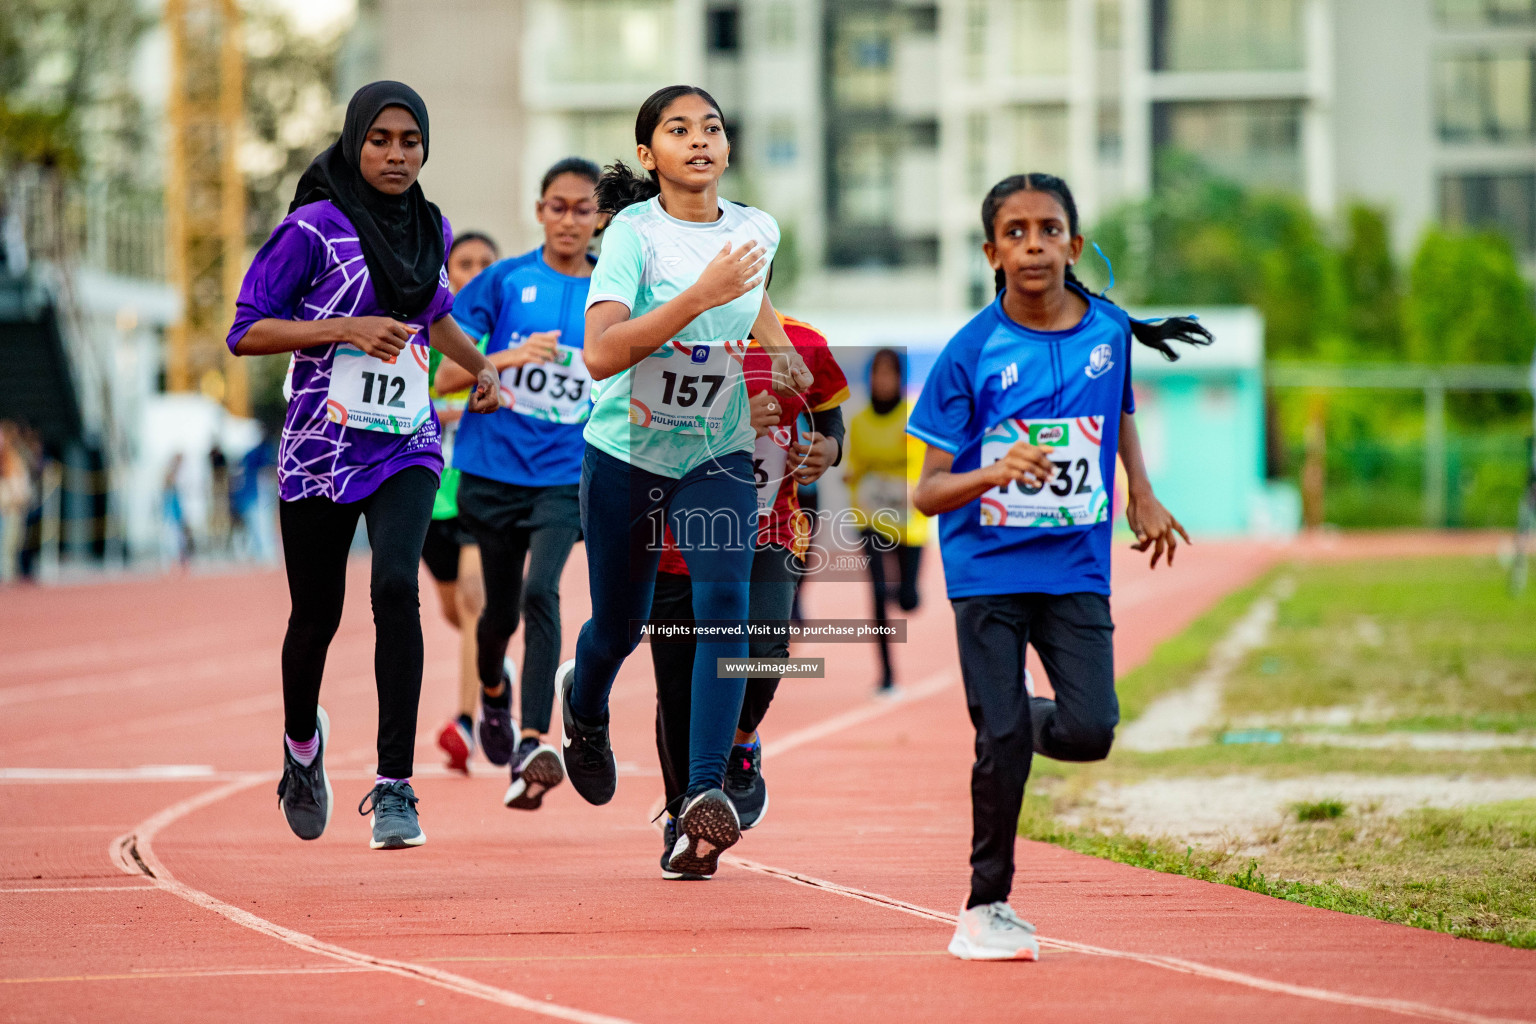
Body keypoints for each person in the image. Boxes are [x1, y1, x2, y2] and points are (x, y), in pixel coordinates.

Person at [909, 172, 1208, 960]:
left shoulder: (1108, 332)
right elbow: (929, 491)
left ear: (1074, 245)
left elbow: (1121, 416)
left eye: (1048, 229)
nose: (1033, 244)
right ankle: (985, 906)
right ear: (991, 252)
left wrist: (1141, 493)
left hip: (1076, 565)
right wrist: (992, 471)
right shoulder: (970, 352)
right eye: (1015, 232)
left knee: (1089, 730)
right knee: (1000, 739)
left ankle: (1010, 718)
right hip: (988, 570)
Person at [227, 81, 501, 851]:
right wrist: (345, 329)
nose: (395, 154)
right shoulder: (311, 231)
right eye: (380, 139)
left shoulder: (430, 224)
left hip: (404, 441)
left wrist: (480, 369)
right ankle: (301, 749)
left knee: (394, 588)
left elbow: (434, 311)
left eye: (410, 140)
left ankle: (394, 788)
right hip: (319, 448)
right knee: (316, 616)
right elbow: (245, 332)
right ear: (354, 142)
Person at [564, 84, 813, 880]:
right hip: (628, 450)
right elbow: (602, 354)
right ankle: (584, 702)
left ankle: (702, 801)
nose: (699, 139)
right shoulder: (633, 233)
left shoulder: (756, 229)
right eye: (678, 129)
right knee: (621, 623)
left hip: (715, 449)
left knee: (725, 603)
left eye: (712, 127)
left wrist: (782, 361)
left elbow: (753, 301)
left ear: (728, 147)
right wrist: (698, 296)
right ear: (649, 155)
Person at [434, 157, 605, 810]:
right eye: (557, 207)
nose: (568, 220)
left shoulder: (611, 295)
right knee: (497, 615)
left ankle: (534, 743)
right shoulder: (502, 282)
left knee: (543, 591)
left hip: (566, 474)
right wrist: (506, 358)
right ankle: (496, 698)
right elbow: (448, 378)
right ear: (539, 211)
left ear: (598, 219)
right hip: (490, 473)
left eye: (582, 209)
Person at [648, 309, 847, 851]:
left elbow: (830, 418)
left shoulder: (804, 342)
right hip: (679, 539)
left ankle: (740, 739)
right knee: (678, 684)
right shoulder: (667, 340)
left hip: (770, 531)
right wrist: (732, 417)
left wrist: (828, 450)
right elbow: (638, 431)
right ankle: (680, 815)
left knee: (766, 646)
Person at [421, 230, 500, 774]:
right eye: (463, 263)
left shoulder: (511, 330)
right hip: (429, 496)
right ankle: (494, 669)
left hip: (481, 486)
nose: (473, 271)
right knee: (455, 612)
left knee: (474, 603)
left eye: (484, 263)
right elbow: (417, 395)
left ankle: (466, 722)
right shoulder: (432, 333)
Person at [844, 348, 928, 693]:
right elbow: (856, 464)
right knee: (877, 593)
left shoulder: (913, 416)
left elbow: (926, 464)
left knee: (908, 599)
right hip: (871, 517)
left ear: (900, 378)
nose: (883, 381)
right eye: (877, 374)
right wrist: (852, 476)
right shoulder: (860, 421)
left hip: (910, 521)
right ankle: (887, 675)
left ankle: (905, 589)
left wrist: (913, 486)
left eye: (890, 374)